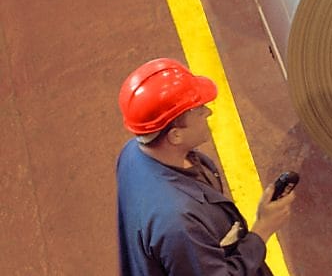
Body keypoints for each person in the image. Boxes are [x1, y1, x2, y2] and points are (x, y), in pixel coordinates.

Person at [116, 58, 296, 275]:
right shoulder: (180, 222)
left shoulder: (132, 154)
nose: (208, 112)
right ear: (175, 135)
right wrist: (262, 230)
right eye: (199, 111)